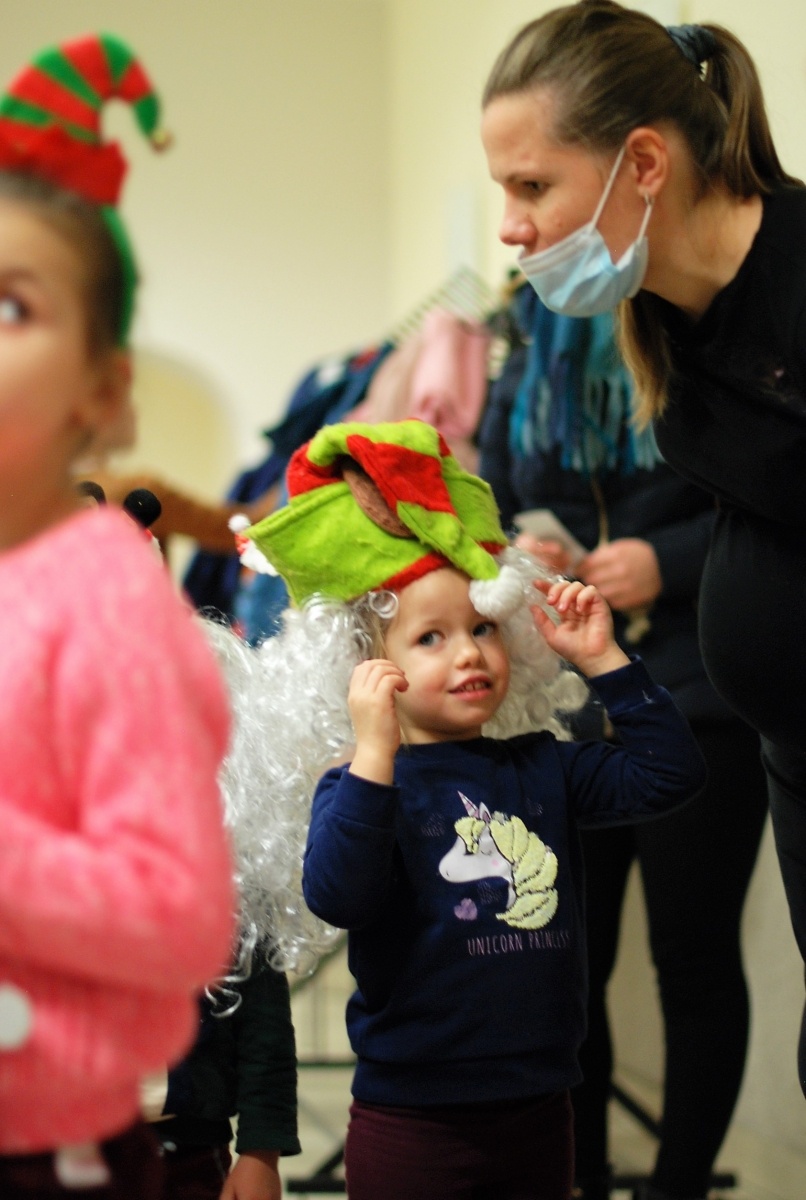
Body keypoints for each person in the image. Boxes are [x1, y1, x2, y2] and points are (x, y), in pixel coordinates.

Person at [231, 418, 706, 1200]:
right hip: (411, 1120)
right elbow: (340, 896)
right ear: (369, 665)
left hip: (542, 1106)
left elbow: (669, 776)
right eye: (431, 637)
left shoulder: (542, 766)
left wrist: (605, 661)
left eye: (483, 627)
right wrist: (373, 753)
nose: (468, 652)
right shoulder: (360, 784)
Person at [480, 0, 806, 1122]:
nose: (510, 227)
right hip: (791, 748)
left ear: (644, 164)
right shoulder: (670, 330)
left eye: (532, 185)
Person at [0, 33, 235, 1198]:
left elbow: (180, 916)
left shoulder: (104, 601)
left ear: (103, 390)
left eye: (9, 305)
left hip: (46, 1152)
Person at [477, 287, 769, 1200]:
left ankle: (678, 1186)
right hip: (562, 704)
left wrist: (663, 561)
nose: (522, 233)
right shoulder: (524, 348)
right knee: (565, 962)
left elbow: (770, 496)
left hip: (699, 689)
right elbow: (487, 502)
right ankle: (580, 1176)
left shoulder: (701, 335)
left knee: (695, 961)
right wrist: (521, 548)